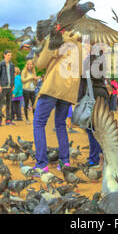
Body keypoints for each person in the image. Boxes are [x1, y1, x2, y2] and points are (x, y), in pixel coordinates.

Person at [23, 32, 82, 172]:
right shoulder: (79, 43)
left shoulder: (55, 37)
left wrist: (34, 52)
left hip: (54, 84)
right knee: (61, 124)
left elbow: (41, 63)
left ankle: (42, 164)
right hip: (70, 88)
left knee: (38, 122)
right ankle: (64, 162)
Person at [77, 46, 109, 168]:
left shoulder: (91, 59)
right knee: (97, 128)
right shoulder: (100, 58)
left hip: (94, 94)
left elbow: (89, 78)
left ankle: (94, 159)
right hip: (100, 93)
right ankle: (100, 155)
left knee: (92, 128)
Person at [0, 50, 16, 126]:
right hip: (2, 87)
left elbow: (13, 75)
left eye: (11, 55)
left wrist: (13, 85)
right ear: (5, 55)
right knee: (0, 104)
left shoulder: (12, 65)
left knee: (9, 104)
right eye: (8, 55)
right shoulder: (1, 64)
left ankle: (8, 120)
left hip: (10, 87)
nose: (10, 56)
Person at [21, 60, 38, 124]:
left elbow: (34, 82)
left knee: (34, 105)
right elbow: (23, 81)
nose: (30, 65)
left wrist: (35, 80)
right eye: (28, 64)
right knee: (26, 104)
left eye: (31, 64)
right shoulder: (24, 72)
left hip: (32, 90)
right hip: (26, 90)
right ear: (26, 65)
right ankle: (27, 119)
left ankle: (35, 119)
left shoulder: (34, 72)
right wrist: (31, 78)